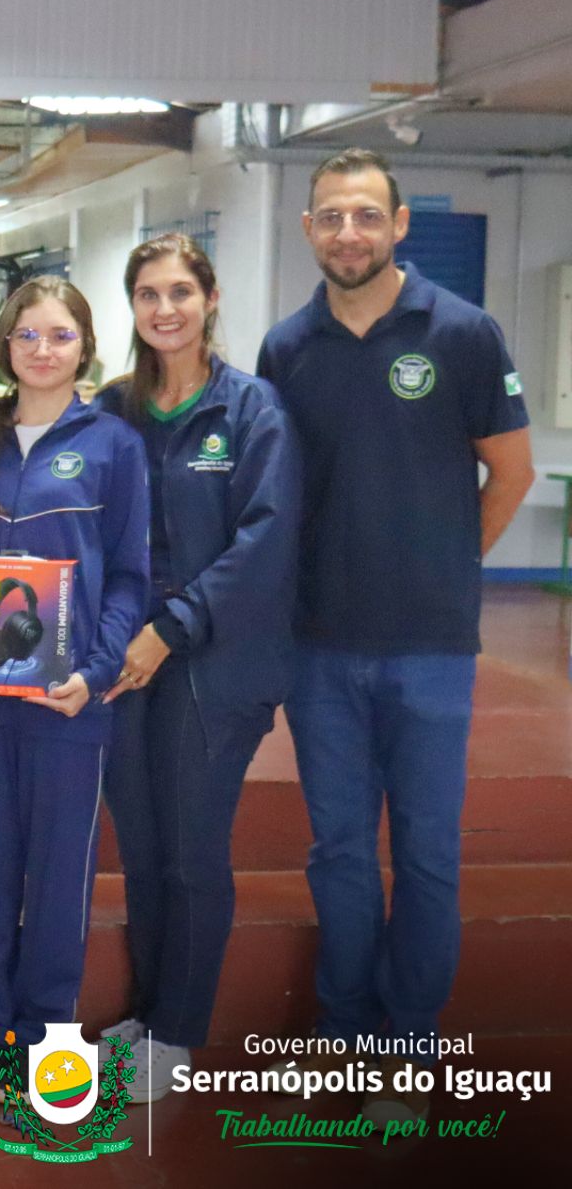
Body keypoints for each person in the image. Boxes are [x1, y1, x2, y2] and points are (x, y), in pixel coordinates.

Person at [256, 148, 533, 1128]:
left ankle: (408, 1037)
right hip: (318, 646)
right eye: (329, 217)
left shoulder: (460, 333)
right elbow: (272, 496)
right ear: (306, 230)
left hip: (427, 648)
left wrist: (448, 569)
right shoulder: (284, 350)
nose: (346, 234)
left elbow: (509, 473)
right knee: (335, 848)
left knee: (421, 848)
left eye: (364, 216)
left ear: (398, 223)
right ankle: (344, 1028)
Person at [0, 277, 149, 1102]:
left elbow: (128, 574)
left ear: (84, 345)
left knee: (60, 870)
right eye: (25, 336)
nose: (41, 351)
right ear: (4, 346)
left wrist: (98, 669)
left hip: (68, 700)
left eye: (58, 336)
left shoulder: (115, 446)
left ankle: (48, 1031)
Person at [88, 235, 300, 1101]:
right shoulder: (114, 408)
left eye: (181, 290)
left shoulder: (254, 413)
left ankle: (179, 1033)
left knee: (191, 849)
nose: (164, 308)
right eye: (147, 294)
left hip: (216, 662)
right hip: (125, 659)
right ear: (132, 308)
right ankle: (146, 1012)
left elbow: (265, 540)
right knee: (141, 847)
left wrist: (169, 628)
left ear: (211, 299)